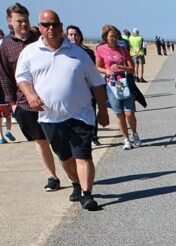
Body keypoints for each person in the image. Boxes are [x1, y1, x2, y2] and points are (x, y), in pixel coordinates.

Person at [15, 9, 108, 211]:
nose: (51, 29)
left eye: (55, 24)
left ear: (61, 26)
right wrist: (30, 94)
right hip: (49, 117)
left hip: (80, 115)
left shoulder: (78, 54)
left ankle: (87, 194)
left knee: (83, 155)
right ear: (39, 27)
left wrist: (103, 110)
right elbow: (22, 77)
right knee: (65, 157)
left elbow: (97, 83)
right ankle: (75, 183)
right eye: (46, 25)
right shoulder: (30, 52)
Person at [0, 3, 61, 188]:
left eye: (26, 20)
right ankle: (52, 177)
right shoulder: (6, 47)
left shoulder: (40, 38)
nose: (24, 24)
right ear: (9, 22)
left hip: (51, 99)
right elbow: (4, 76)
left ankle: (74, 175)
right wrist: (12, 104)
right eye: (19, 21)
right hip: (25, 103)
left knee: (59, 139)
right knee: (41, 141)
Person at [95, 25, 140, 149]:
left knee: (129, 113)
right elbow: (97, 67)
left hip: (124, 83)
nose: (114, 39)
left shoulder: (123, 49)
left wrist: (121, 67)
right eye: (111, 36)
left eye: (116, 36)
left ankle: (135, 133)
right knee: (119, 114)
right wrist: (106, 71)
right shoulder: (100, 49)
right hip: (111, 84)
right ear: (105, 37)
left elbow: (132, 69)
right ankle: (126, 139)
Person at [64, 23, 98, 146]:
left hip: (87, 88)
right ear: (66, 36)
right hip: (71, 90)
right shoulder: (63, 53)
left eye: (76, 35)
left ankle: (93, 136)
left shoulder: (88, 52)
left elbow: (93, 71)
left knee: (91, 111)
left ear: (80, 36)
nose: (74, 37)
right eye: (71, 35)